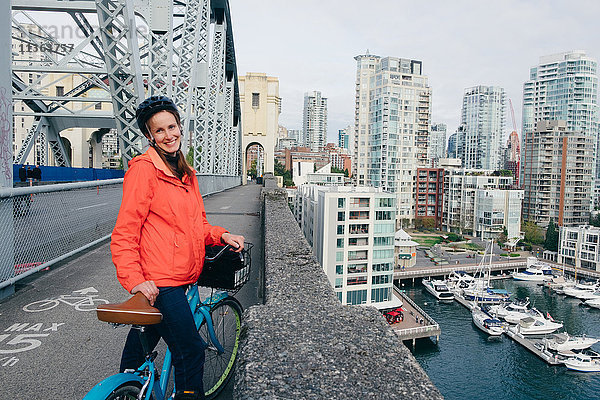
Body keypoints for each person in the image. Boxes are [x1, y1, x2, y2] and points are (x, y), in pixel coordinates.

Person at [110, 95, 244, 400]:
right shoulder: (144, 171)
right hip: (162, 282)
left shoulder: (186, 173)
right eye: (160, 131)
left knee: (146, 337)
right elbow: (124, 233)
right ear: (149, 136)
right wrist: (136, 281)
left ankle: (126, 389)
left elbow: (195, 226)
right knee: (192, 351)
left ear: (180, 127)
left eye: (172, 127)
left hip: (181, 276)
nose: (169, 135)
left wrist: (220, 235)